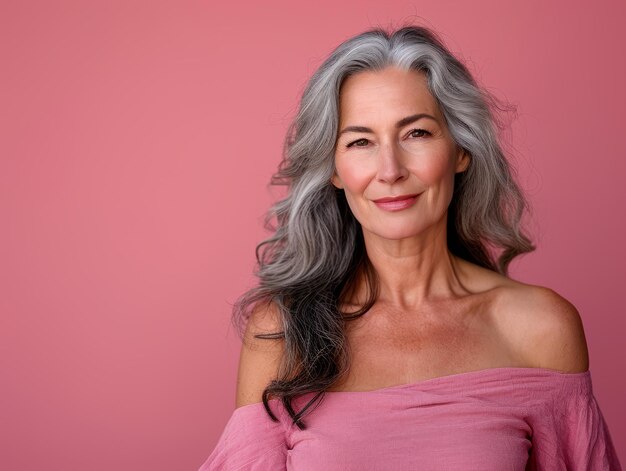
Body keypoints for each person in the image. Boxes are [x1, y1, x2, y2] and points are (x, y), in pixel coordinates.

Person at [199, 24, 622, 470]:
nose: (390, 169)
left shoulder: (540, 328)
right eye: (360, 141)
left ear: (461, 150)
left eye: (416, 133)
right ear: (335, 170)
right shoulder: (282, 334)